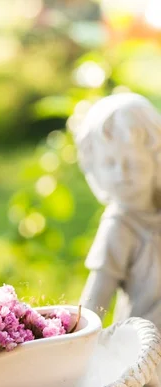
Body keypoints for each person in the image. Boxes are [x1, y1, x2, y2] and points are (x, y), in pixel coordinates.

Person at [77, 93, 161, 328]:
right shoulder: (119, 226)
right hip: (145, 353)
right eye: (109, 163)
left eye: (133, 163)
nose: (121, 174)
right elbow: (95, 302)